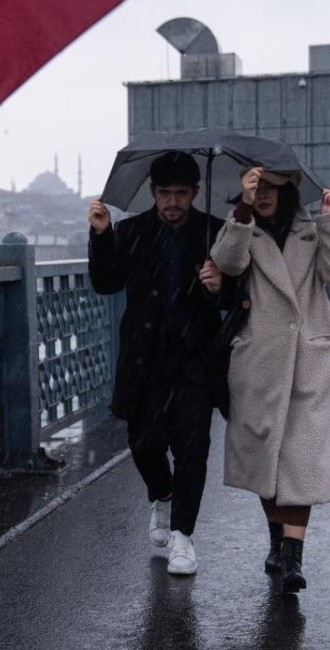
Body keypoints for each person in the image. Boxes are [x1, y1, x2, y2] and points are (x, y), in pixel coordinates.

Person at [209, 167, 330, 594]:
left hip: (308, 357)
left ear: (289, 191)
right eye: (259, 188)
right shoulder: (243, 225)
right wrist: (241, 209)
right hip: (260, 357)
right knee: (266, 458)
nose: (265, 196)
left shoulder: (312, 230)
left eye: (273, 188)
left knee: (301, 458)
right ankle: (276, 541)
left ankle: (293, 557)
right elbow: (227, 262)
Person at [88, 151, 224, 576]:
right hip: (145, 358)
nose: (172, 202)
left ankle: (183, 537)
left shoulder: (214, 234)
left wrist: (220, 283)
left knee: (192, 449)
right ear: (152, 192)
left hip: (194, 358)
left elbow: (238, 287)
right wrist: (101, 234)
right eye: (165, 193)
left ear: (195, 193)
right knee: (143, 444)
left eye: (181, 194)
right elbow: (106, 282)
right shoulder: (131, 232)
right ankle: (162, 495)